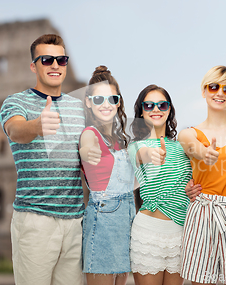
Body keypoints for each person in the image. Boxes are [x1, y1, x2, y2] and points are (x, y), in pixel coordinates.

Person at [0, 34, 85, 285]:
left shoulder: (79, 108)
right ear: (33, 66)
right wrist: (37, 126)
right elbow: (15, 130)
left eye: (61, 59)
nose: (55, 65)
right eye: (47, 59)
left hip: (75, 221)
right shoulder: (15, 102)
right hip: (35, 220)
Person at [179, 66, 226, 285]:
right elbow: (194, 149)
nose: (220, 93)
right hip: (203, 212)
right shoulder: (189, 133)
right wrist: (206, 154)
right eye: (213, 86)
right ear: (204, 91)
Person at [128, 84, 192, 285]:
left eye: (162, 105)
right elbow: (142, 156)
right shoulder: (136, 146)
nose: (156, 109)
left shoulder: (183, 146)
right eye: (149, 105)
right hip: (149, 233)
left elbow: (190, 182)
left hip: (180, 234)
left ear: (169, 109)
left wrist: (191, 190)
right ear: (141, 111)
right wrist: (153, 155)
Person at [80, 66, 135, 285]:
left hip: (127, 221)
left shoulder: (122, 140)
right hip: (103, 222)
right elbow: (86, 147)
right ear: (88, 102)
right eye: (98, 99)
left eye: (111, 98)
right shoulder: (89, 134)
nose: (105, 104)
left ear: (118, 102)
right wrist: (86, 152)